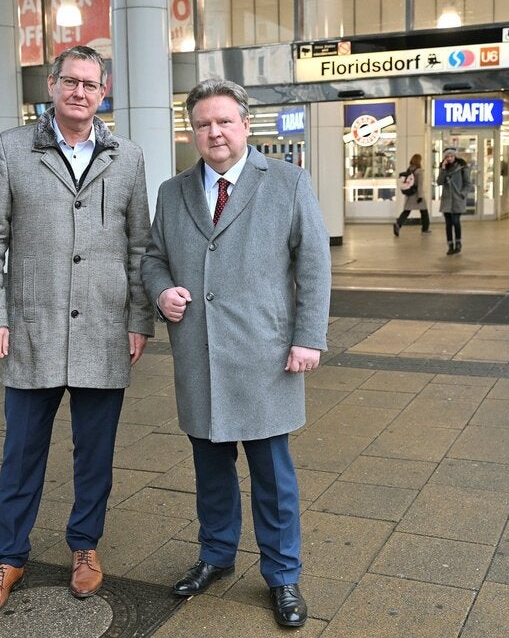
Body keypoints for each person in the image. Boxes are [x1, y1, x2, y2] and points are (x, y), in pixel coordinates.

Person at [0, 45, 154, 618]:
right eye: (69, 82)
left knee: (94, 455)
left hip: (104, 329)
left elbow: (139, 246)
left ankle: (85, 546)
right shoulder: (12, 149)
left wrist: (139, 320)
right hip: (33, 328)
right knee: (21, 452)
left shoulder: (127, 157)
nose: (79, 92)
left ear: (105, 93)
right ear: (51, 86)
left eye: (90, 85)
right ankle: (9, 555)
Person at [141, 79, 331, 629]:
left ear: (246, 125)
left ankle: (283, 576)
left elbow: (314, 265)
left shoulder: (288, 182)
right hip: (200, 356)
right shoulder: (173, 193)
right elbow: (154, 258)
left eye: (224, 121)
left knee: (273, 475)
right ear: (192, 132)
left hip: (266, 355)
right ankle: (216, 556)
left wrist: (308, 337)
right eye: (203, 124)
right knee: (211, 469)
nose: (214, 132)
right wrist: (161, 291)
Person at [437, 147, 472, 255]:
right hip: (447, 199)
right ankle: (450, 245)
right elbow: (439, 182)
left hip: (457, 198)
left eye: (451, 156)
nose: (449, 158)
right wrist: (442, 169)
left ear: (455, 156)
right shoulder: (444, 168)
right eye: (447, 157)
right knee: (448, 224)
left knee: (456, 221)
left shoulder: (462, 167)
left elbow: (468, 183)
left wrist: (463, 194)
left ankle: (458, 243)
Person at [393, 153, 429, 236]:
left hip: (409, 194)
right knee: (424, 212)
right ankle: (425, 229)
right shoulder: (419, 171)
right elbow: (420, 185)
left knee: (406, 211)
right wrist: (420, 196)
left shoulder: (409, 169)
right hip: (417, 194)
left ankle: (398, 224)